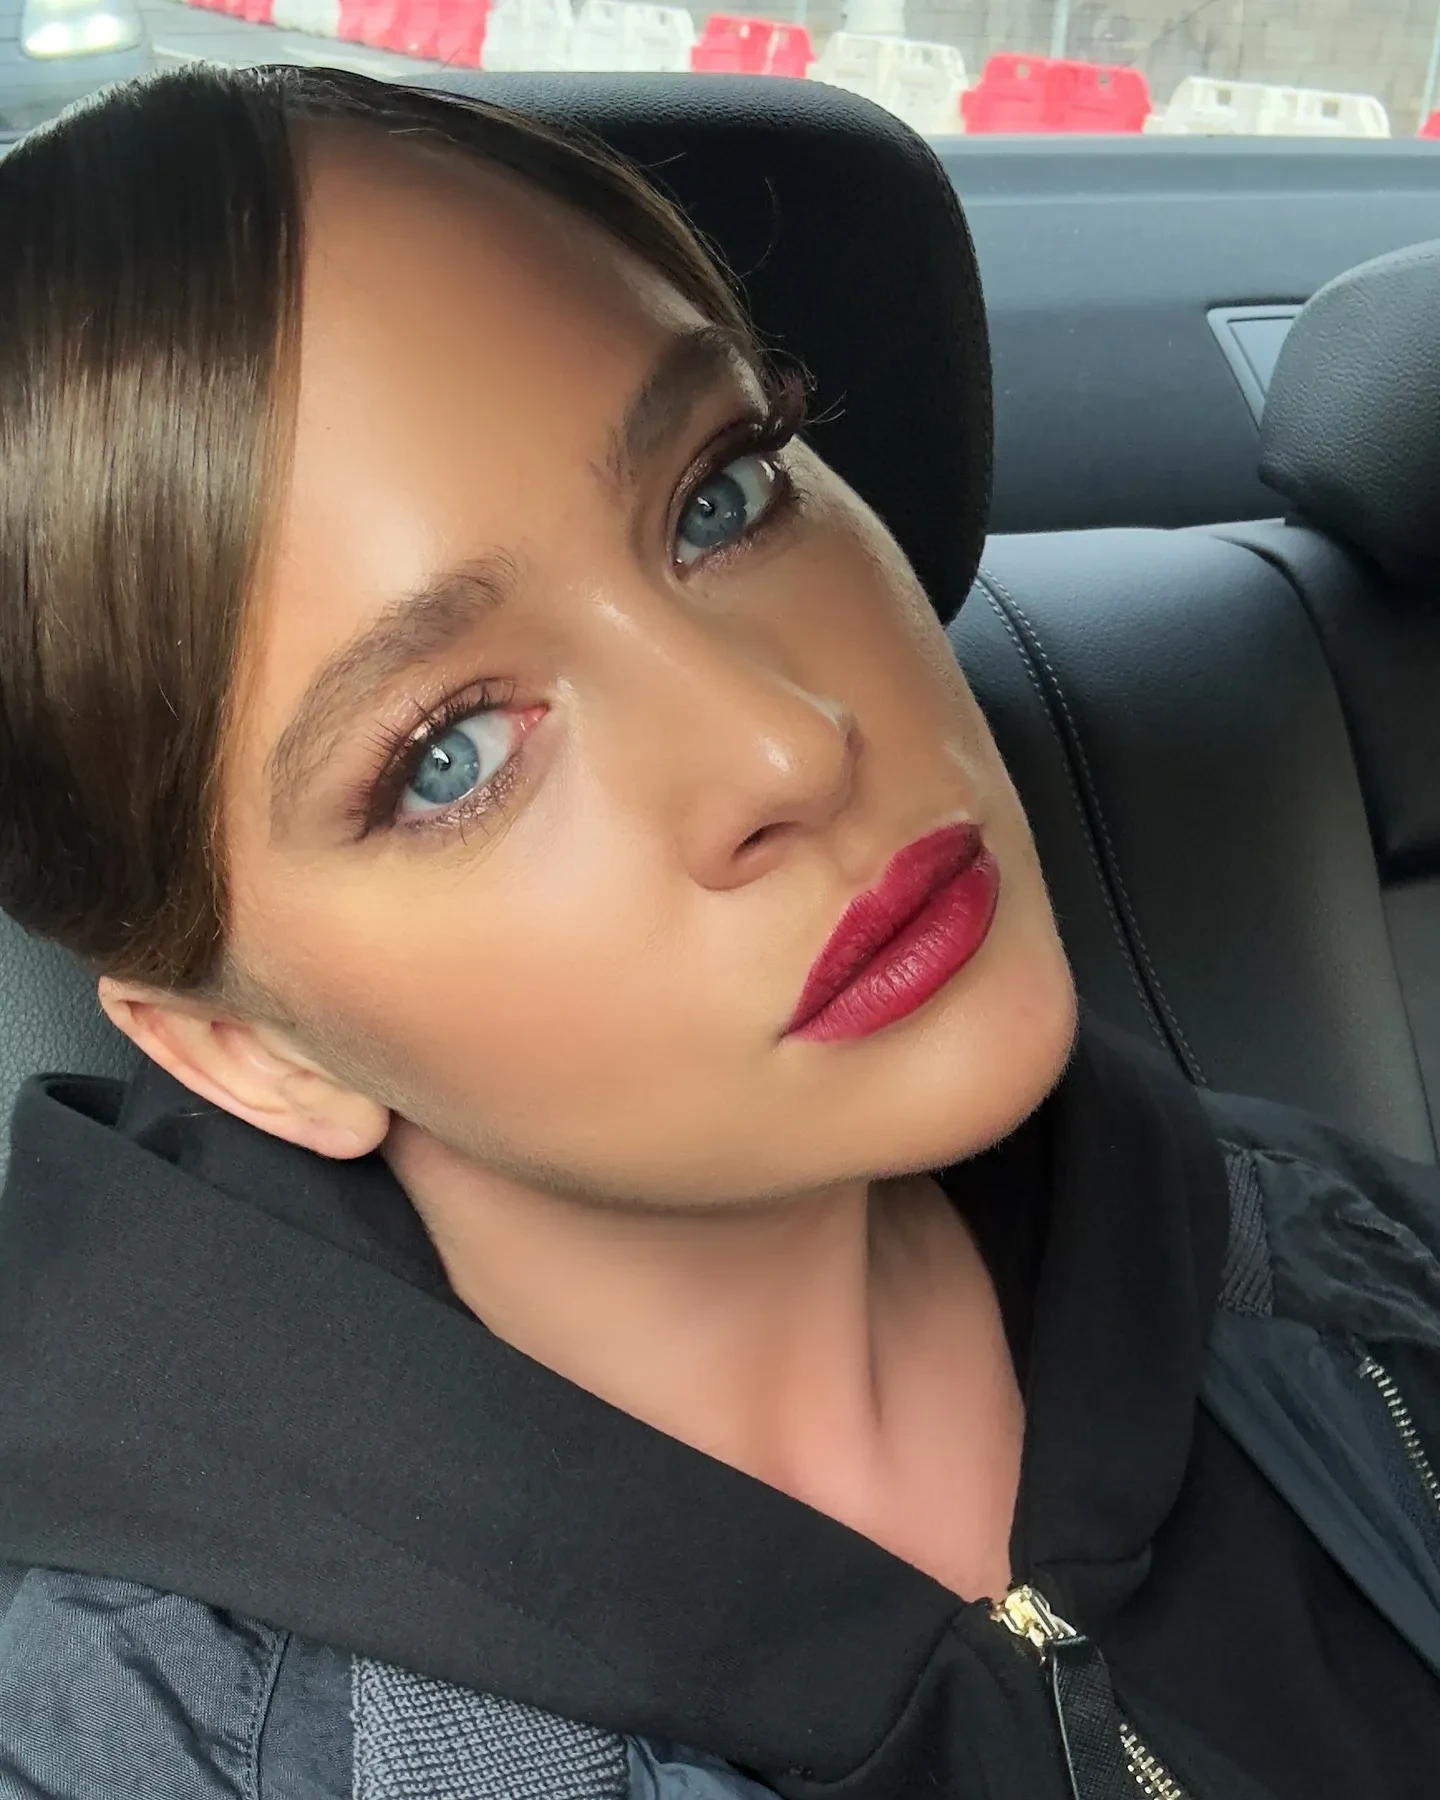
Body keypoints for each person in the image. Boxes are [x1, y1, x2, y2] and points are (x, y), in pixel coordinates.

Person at [0, 62, 1435, 1800]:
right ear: (251, 1052)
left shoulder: (1350, 1271)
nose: (789, 744)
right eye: (451, 757)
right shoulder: (171, 1747)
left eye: (720, 496)